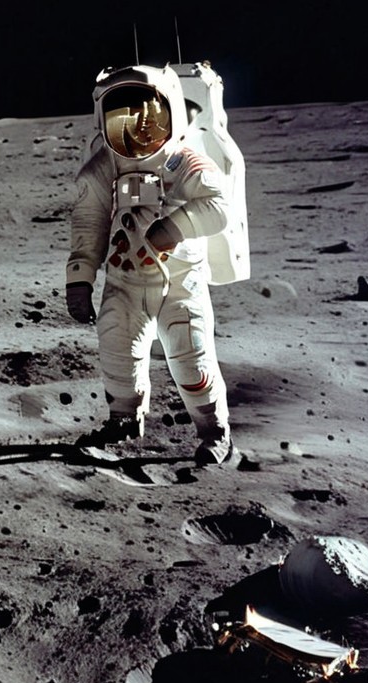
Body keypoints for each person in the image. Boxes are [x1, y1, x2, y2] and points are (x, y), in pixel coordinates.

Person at [66, 63, 239, 465]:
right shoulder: (105, 168)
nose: (141, 129)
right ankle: (124, 422)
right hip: (125, 282)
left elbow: (218, 206)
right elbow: (88, 222)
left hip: (180, 281)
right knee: (117, 354)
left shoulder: (183, 161)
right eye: (124, 118)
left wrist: (174, 227)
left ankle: (215, 433)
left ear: (172, 114)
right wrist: (80, 279)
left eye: (152, 116)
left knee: (191, 360)